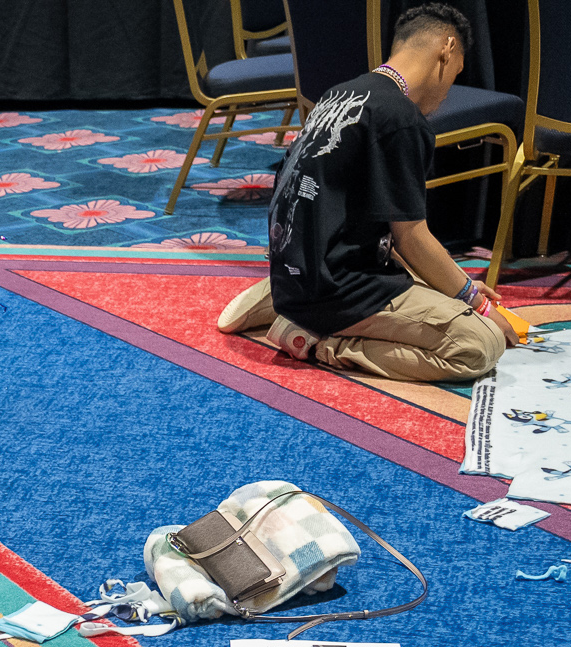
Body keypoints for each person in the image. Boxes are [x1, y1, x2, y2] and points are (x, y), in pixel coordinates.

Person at [215, 2, 512, 382]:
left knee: (436, 284)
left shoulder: (338, 94)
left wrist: (457, 286)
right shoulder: (401, 118)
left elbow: (369, 224)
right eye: (455, 74)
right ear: (447, 48)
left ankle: (277, 297)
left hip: (297, 268)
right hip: (339, 289)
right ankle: (321, 340)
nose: (446, 94)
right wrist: (477, 305)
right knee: (479, 346)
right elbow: (411, 239)